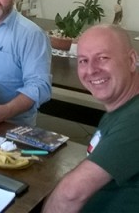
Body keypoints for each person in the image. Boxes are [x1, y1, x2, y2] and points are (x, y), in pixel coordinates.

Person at [43, 24, 139, 212]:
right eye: (83, 61)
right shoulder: (122, 109)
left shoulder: (135, 119)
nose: (91, 70)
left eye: (102, 58)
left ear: (131, 60)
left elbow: (71, 194)